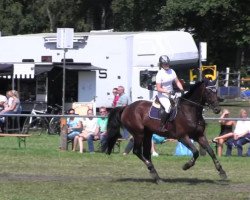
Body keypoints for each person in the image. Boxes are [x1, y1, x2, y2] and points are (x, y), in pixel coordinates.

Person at [155, 55, 184, 131]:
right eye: (165, 64)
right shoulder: (159, 74)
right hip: (162, 95)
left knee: (181, 105)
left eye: (168, 63)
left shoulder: (172, 71)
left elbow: (177, 81)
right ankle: (162, 126)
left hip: (172, 93)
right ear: (161, 64)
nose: (167, 65)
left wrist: (182, 89)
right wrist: (168, 91)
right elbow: (158, 88)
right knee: (168, 107)